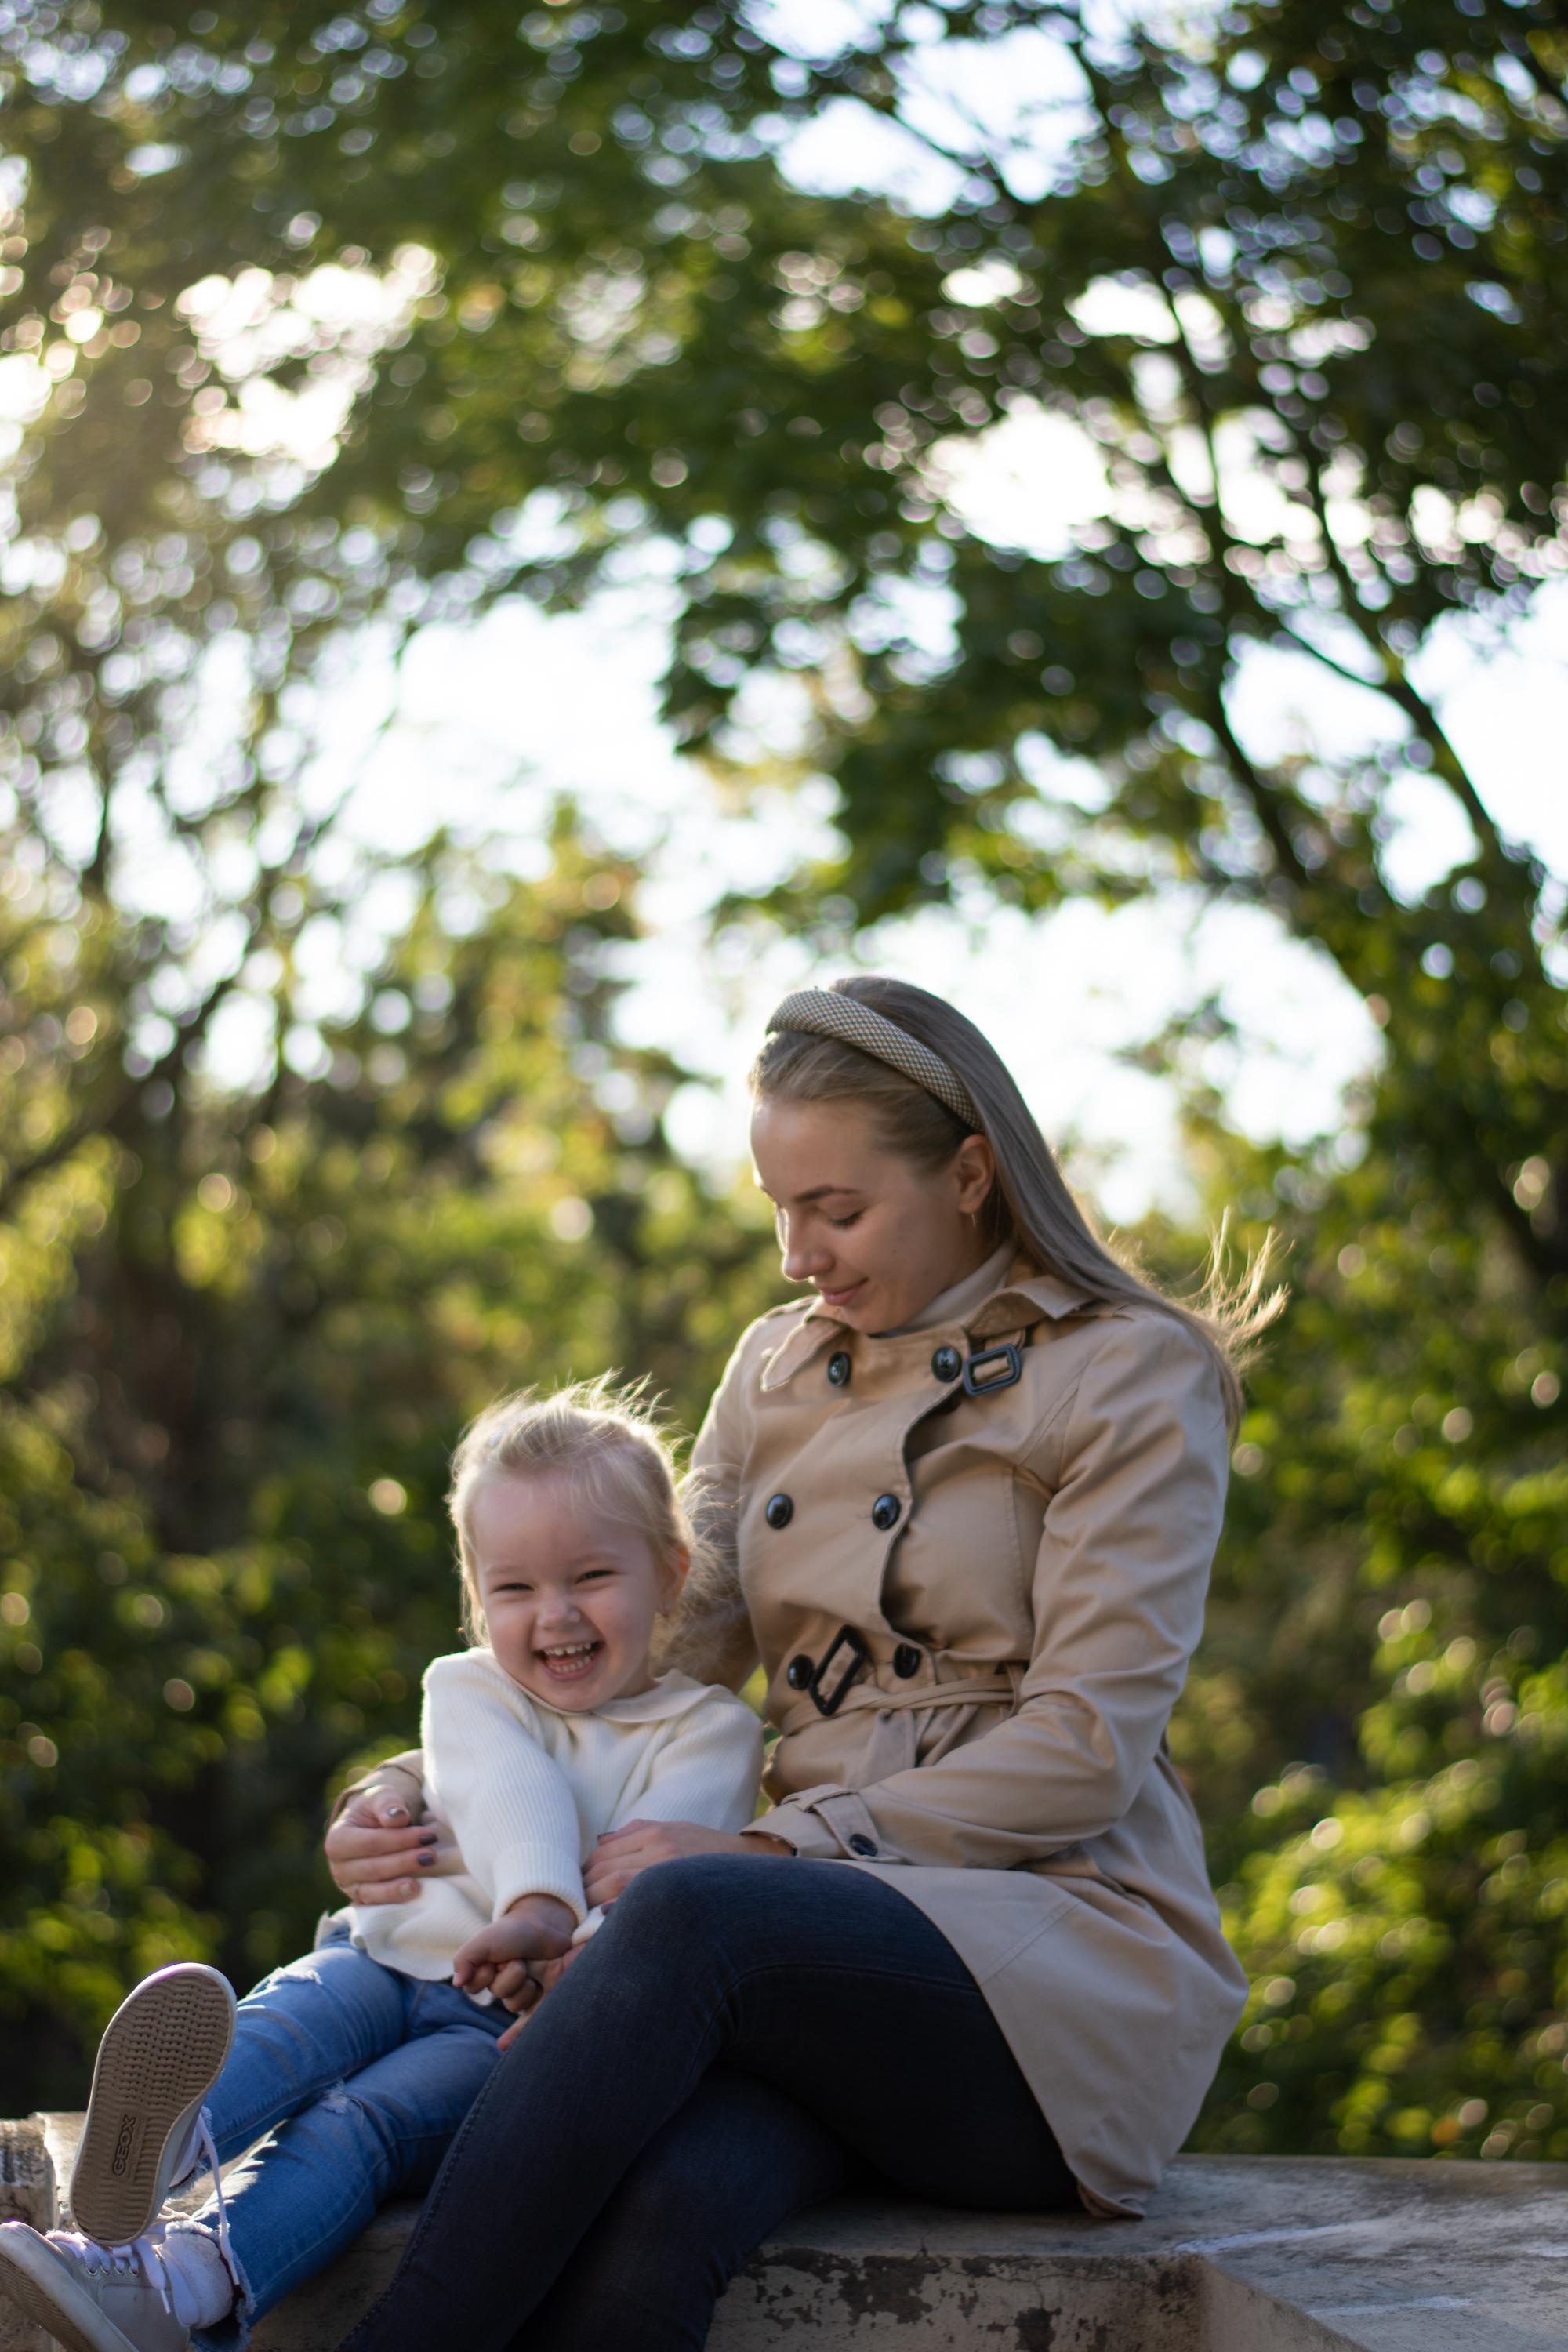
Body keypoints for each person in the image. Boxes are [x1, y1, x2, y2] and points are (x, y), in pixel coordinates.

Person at [313, 976, 1280, 2352]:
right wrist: (411, 1790)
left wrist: (781, 1854)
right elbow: (642, 1663)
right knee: (655, 2216)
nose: (796, 1254)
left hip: (1059, 1970)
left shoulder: (1131, 1373)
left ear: (967, 1173)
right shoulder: (775, 1370)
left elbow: (1085, 1749)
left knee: (691, 1916)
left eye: (836, 1210)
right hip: (798, 1975)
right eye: (780, 1208)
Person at [0, 1382, 763, 2352]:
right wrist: (508, 1882)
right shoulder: (468, 1687)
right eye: (515, 1589)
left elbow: (661, 1895)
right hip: (383, 1956)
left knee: (360, 2125)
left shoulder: (711, 1733)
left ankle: (181, 2285)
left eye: (591, 1577)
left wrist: (575, 1974)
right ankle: (153, 2155)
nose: (554, 1616)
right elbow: (503, 1782)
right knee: (287, 2022)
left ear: (671, 1569)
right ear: (476, 1596)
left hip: (506, 2032)